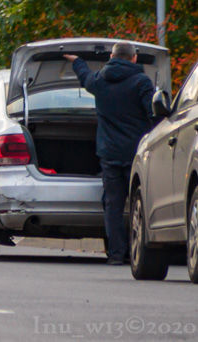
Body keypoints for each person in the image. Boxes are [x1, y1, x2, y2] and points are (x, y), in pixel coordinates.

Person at [63, 42, 155, 265]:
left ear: (112, 57)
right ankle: (140, 252)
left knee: (113, 205)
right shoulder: (142, 82)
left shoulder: (100, 80)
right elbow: (154, 113)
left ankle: (116, 254)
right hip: (137, 154)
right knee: (140, 202)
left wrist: (77, 61)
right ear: (134, 58)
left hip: (110, 154)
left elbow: (85, 77)